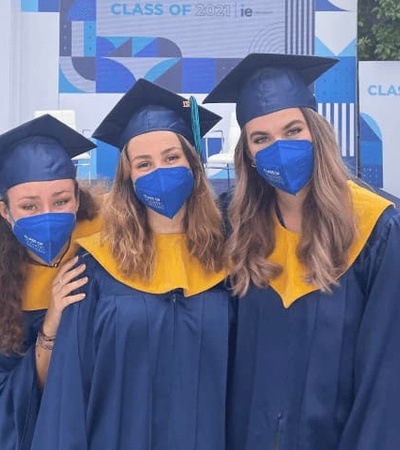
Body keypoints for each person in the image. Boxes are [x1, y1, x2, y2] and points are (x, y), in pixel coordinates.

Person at [204, 53, 400, 450]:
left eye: (292, 130)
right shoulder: (233, 227)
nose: (279, 147)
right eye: (261, 139)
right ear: (250, 157)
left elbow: (385, 373)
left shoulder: (376, 227)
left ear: (317, 134)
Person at [31, 79, 232, 450]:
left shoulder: (228, 261)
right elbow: (69, 394)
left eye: (172, 158)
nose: (160, 171)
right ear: (129, 179)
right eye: (144, 163)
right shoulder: (95, 268)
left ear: (193, 164)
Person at [0, 114, 103, 450]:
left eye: (61, 201)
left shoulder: (108, 245)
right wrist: (52, 323)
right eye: (29, 206)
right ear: (5, 211)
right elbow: (11, 397)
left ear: (77, 197)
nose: (46, 215)